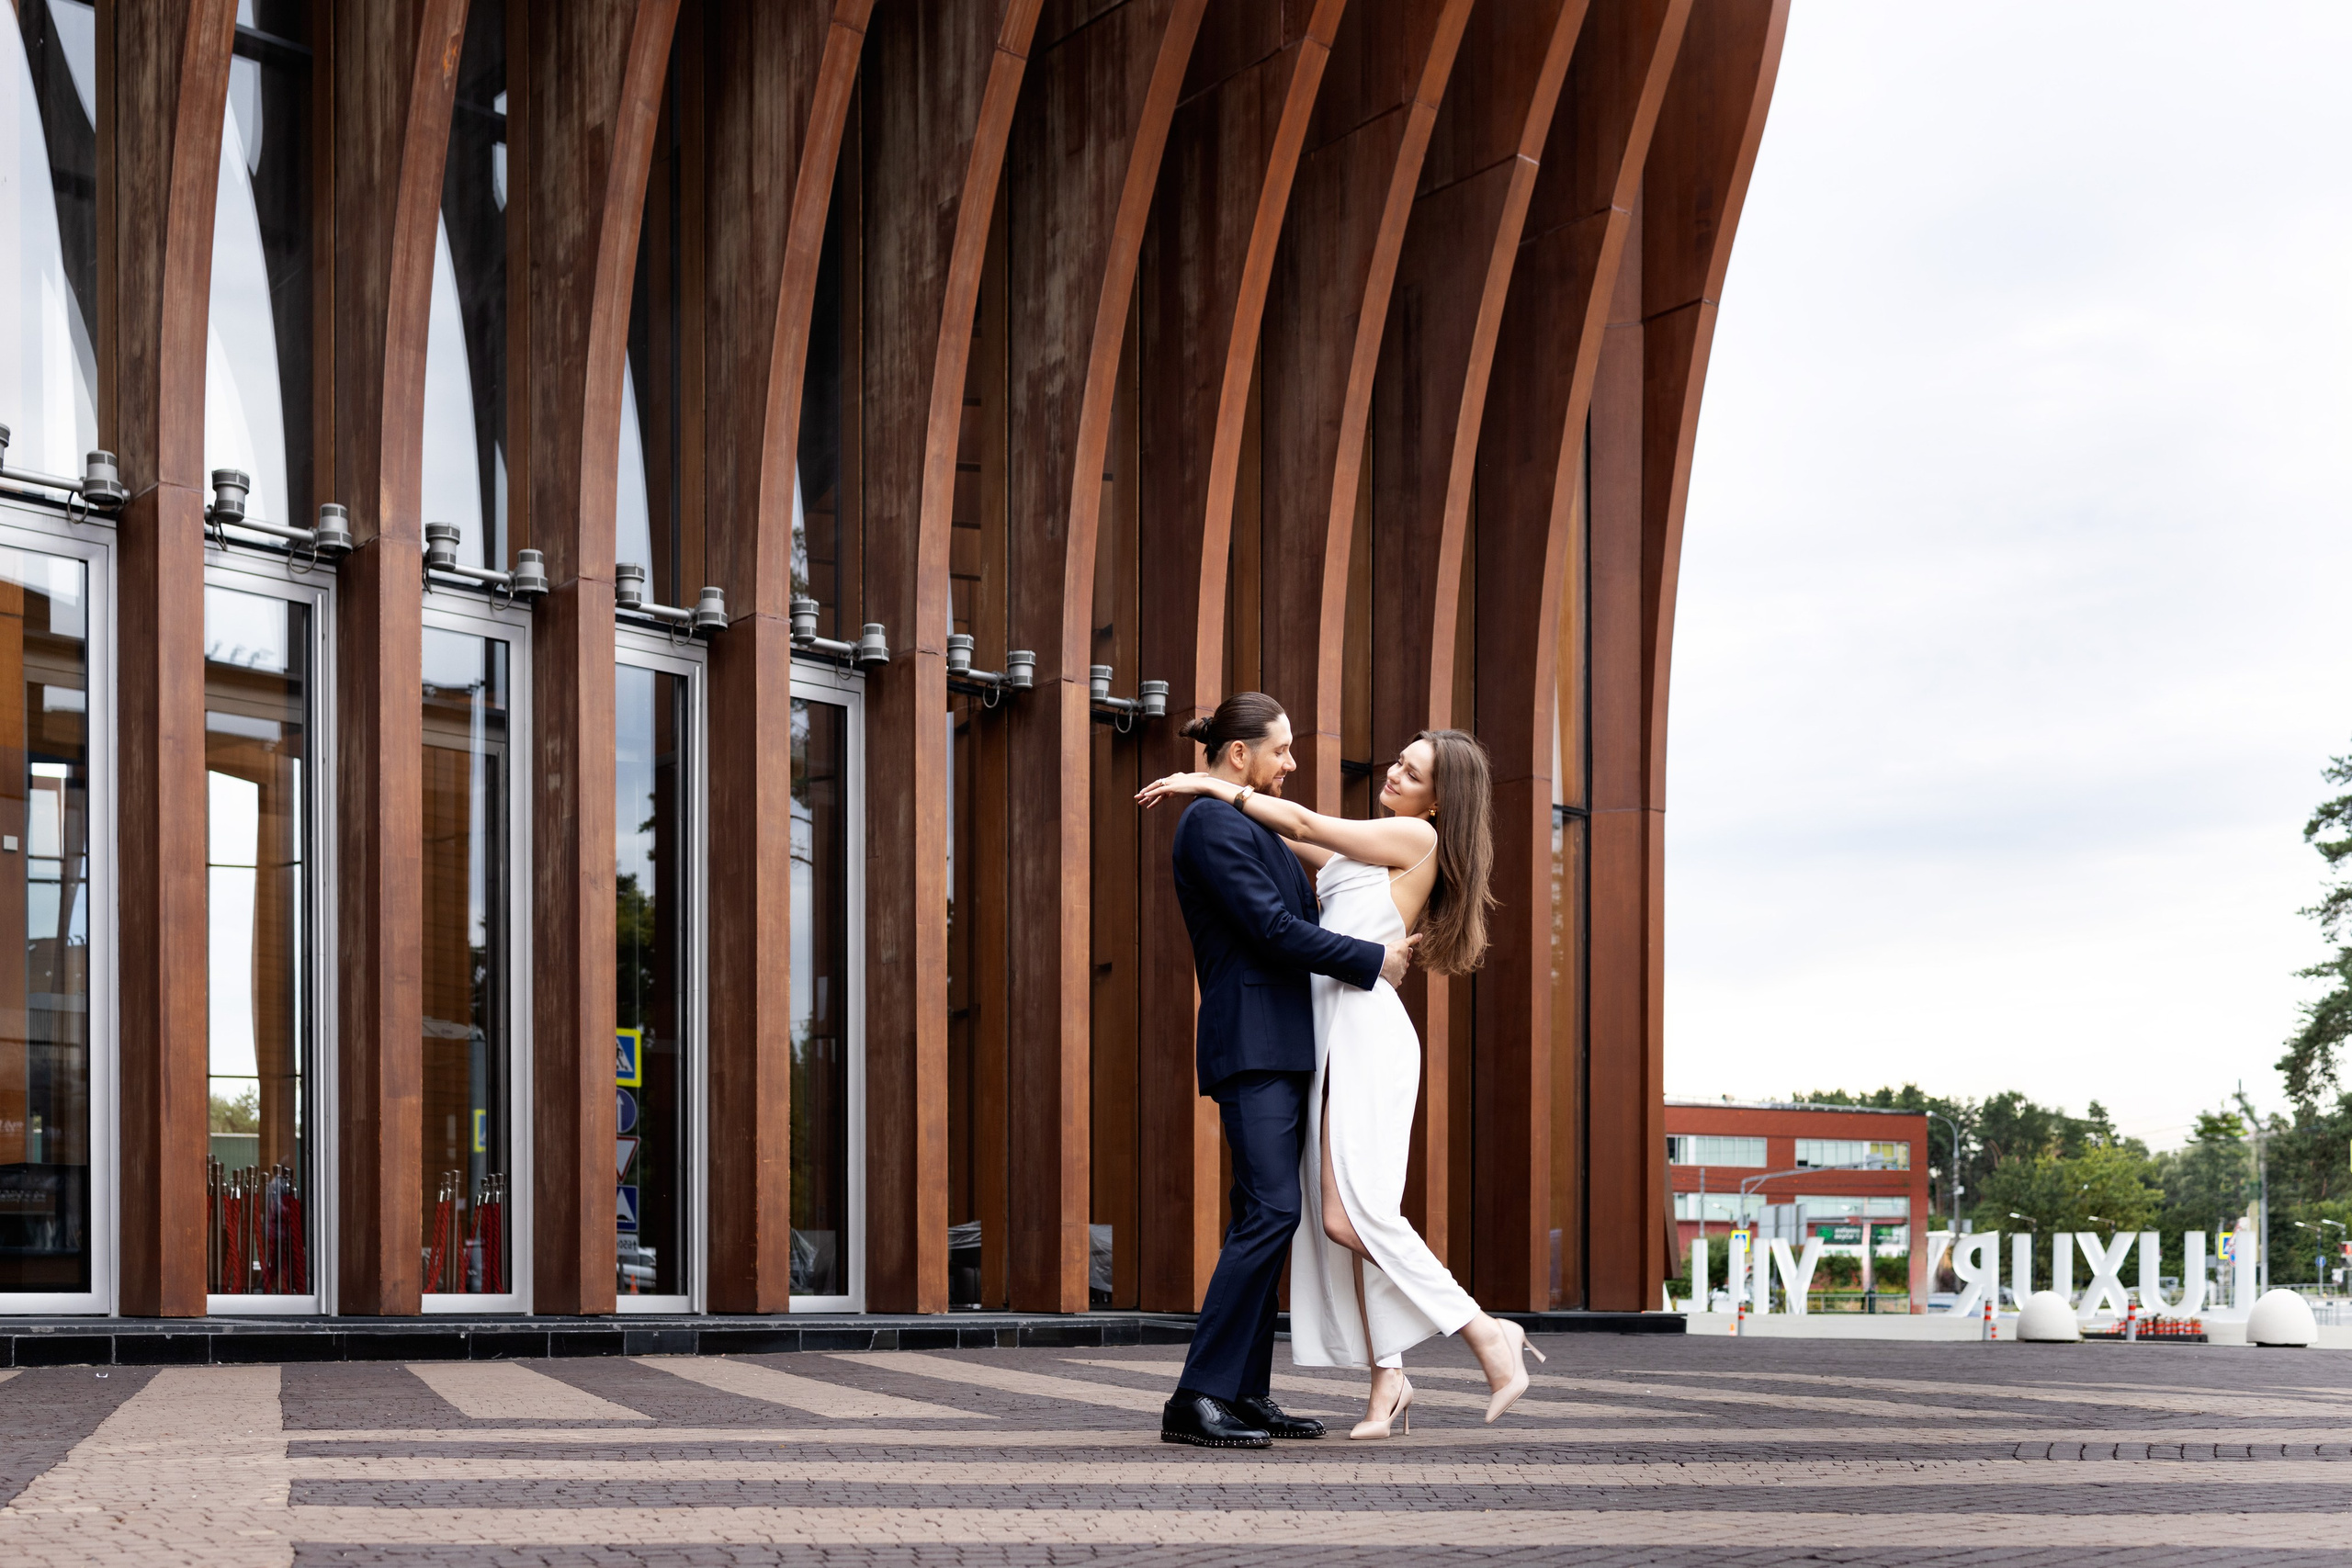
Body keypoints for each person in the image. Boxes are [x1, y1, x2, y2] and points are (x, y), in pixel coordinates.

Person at [1138, 726, 1546, 1440]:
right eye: (1399, 759)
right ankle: (1390, 1372)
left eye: (1411, 771)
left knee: (1353, 1214)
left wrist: (1205, 782)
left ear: (1438, 801)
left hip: (1363, 1031)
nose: (1393, 773)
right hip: (1327, 1036)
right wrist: (1228, 798)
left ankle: (1485, 1331)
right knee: (1339, 1216)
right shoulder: (1370, 849)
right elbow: (1285, 839)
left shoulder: (1412, 838)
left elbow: (1296, 820)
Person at [1148, 693, 1419, 1450]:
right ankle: (1197, 1396)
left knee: (1264, 1214)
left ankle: (1244, 1392)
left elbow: (1315, 891)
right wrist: (1376, 960)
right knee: (1271, 1211)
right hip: (1256, 1044)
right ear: (1241, 754)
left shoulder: (1243, 818)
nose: (1291, 764)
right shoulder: (1211, 824)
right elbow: (1274, 928)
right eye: (1283, 750)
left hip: (1287, 1044)